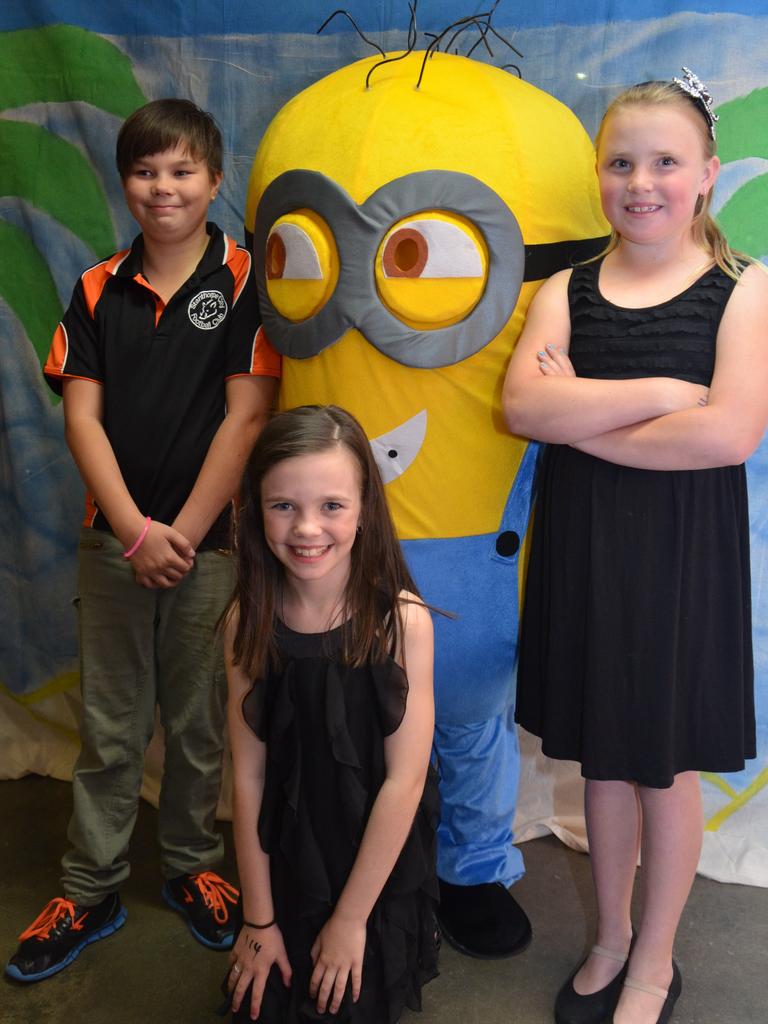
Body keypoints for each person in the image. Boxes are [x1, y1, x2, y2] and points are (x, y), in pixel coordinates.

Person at [503, 68, 768, 1024]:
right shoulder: (566, 287)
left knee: (663, 765)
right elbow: (523, 405)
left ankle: (654, 958)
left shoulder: (744, 290)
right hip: (583, 554)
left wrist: (581, 418)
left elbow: (728, 436)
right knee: (602, 762)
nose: (640, 181)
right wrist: (662, 394)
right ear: (599, 173)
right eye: (621, 162)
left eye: (665, 161)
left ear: (707, 173)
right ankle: (609, 934)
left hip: (682, 562)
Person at [6, 99, 281, 983]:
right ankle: (90, 888)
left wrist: (187, 535)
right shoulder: (94, 288)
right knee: (111, 728)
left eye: (181, 171)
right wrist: (133, 531)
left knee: (200, 722)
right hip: (114, 544)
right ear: (126, 182)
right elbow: (80, 420)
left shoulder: (244, 282)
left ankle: (196, 869)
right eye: (144, 171)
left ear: (214, 178)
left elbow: (246, 420)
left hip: (213, 547)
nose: (162, 188)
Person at [220, 405, 439, 1023]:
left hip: (373, 859)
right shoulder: (247, 621)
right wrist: (258, 919)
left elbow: (406, 780)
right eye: (283, 505)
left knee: (347, 1002)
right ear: (255, 508)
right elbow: (248, 776)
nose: (307, 528)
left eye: (332, 506)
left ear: (366, 508)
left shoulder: (402, 622)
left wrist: (349, 920)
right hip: (284, 854)